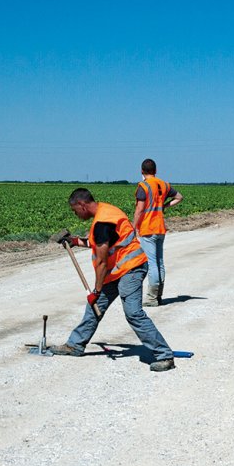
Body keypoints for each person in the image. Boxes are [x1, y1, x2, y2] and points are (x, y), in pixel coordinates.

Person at [53, 188, 176, 372]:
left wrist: (95, 291)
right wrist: (76, 241)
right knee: (95, 308)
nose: (75, 214)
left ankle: (164, 355)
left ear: (82, 205)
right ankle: (75, 345)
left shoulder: (103, 222)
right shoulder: (105, 212)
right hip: (118, 270)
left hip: (131, 268)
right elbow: (103, 242)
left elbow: (102, 262)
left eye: (75, 210)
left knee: (133, 313)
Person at [132, 158, 183, 307]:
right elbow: (179, 197)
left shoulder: (143, 186)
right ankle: (158, 295)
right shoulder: (164, 185)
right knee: (160, 262)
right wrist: (164, 206)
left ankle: (152, 298)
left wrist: (133, 227)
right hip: (160, 227)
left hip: (148, 228)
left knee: (152, 263)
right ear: (155, 171)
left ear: (142, 171)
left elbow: (140, 209)